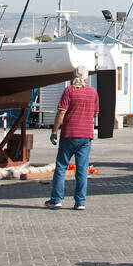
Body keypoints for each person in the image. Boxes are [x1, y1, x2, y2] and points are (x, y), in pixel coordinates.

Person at [45, 65, 99, 210]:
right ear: (86, 77)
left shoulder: (69, 91)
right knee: (82, 169)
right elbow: (95, 114)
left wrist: (54, 131)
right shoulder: (93, 92)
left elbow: (61, 113)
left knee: (61, 167)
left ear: (73, 76)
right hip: (86, 136)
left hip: (69, 134)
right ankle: (80, 202)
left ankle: (56, 199)